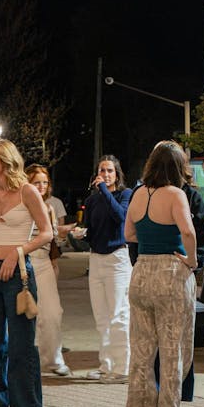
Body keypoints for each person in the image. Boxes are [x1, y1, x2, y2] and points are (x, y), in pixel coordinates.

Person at [0, 140, 53, 407]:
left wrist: (17, 252)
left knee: (21, 344)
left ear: (6, 161)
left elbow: (46, 233)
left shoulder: (27, 191)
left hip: (19, 273)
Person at [124, 141, 198, 407]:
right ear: (178, 167)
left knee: (141, 349)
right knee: (173, 349)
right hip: (170, 273)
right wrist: (191, 260)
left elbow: (129, 233)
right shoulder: (175, 194)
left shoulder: (138, 193)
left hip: (141, 272)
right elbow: (189, 232)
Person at [82, 155, 133, 383]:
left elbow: (120, 217)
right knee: (101, 316)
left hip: (117, 258)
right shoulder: (92, 201)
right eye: (101, 170)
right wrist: (81, 234)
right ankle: (106, 365)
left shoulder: (125, 194)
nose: (105, 174)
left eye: (110, 170)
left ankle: (123, 368)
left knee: (118, 314)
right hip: (96, 259)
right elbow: (92, 230)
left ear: (117, 174)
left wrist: (103, 189)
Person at [24, 164, 71, 377]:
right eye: (36, 182)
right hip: (23, 261)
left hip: (44, 263)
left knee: (52, 313)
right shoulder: (20, 205)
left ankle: (53, 360)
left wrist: (54, 262)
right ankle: (22, 360)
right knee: (23, 313)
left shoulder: (50, 207)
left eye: (45, 182)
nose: (41, 186)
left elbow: (52, 239)